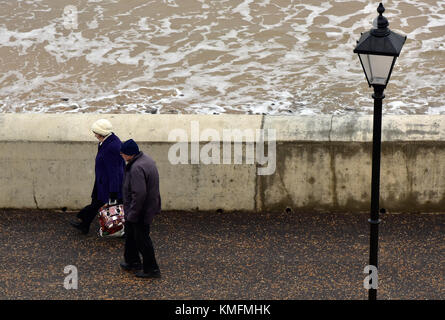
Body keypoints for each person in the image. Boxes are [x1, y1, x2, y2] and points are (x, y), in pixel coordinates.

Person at [70, 119, 125, 235]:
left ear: (100, 133)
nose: (94, 135)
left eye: (95, 132)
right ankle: (84, 225)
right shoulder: (105, 141)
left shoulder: (112, 147)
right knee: (96, 201)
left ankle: (84, 217)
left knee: (102, 205)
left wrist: (113, 192)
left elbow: (115, 171)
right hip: (102, 181)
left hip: (109, 184)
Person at [119, 139, 161, 278]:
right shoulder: (146, 160)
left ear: (129, 154)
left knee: (142, 240)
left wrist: (133, 213)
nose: (121, 155)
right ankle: (132, 262)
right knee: (131, 236)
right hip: (145, 207)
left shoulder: (136, 167)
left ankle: (152, 269)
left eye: (123, 153)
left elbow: (139, 193)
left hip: (140, 210)